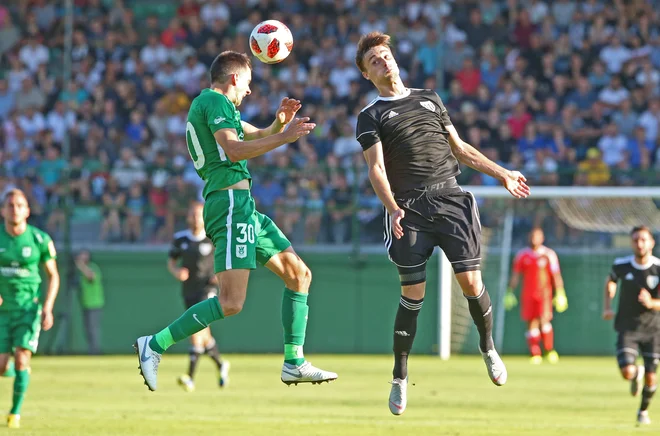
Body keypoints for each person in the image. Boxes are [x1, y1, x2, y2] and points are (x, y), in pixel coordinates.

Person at [134, 51, 337, 391]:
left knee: (299, 274)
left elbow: (252, 136)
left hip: (242, 205)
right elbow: (235, 150)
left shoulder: (217, 107)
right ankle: (154, 345)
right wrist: (284, 138)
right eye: (248, 83)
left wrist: (278, 125)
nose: (249, 91)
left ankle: (294, 362)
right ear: (233, 79)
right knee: (230, 302)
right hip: (228, 203)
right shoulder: (214, 102)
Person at [354, 32, 530, 415]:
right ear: (368, 74)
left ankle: (488, 348)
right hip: (408, 207)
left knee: (471, 282)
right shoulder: (370, 115)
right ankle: (400, 378)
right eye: (374, 61)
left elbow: (461, 149)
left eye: (385, 55)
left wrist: (501, 173)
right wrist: (392, 207)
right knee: (413, 292)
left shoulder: (429, 98)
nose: (383, 62)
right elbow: (376, 169)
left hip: (450, 198)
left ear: (395, 60)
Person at [0, 189, 60, 428]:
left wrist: (47, 307)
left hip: (28, 310)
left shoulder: (39, 239)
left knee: (22, 358)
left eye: (19, 205)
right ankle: (16, 372)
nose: (14, 209)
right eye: (10, 205)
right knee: (4, 365)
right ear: (3, 210)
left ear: (27, 211)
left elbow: (53, 276)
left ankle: (14, 413)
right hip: (3, 312)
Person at [168, 201, 229, 391]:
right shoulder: (180, 239)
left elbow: (225, 261)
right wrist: (177, 272)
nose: (195, 218)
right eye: (192, 214)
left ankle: (190, 378)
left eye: (199, 215)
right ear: (188, 217)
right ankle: (220, 364)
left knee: (195, 328)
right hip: (189, 290)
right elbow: (171, 262)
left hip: (207, 290)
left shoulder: (213, 239)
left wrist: (219, 277)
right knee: (204, 336)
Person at [603, 225, 660, 426]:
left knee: (652, 378)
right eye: (636, 240)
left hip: (653, 330)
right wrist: (608, 303)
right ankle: (637, 373)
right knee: (627, 372)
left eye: (643, 239)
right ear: (631, 243)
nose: (639, 243)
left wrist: (652, 303)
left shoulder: (658, 268)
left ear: (652, 243)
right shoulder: (621, 265)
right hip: (627, 327)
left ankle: (643, 411)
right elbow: (610, 281)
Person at [504, 227, 567, 364]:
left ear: (542, 238)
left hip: (544, 295)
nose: (534, 239)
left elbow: (556, 275)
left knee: (544, 320)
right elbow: (515, 275)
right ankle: (535, 353)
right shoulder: (522, 255)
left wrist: (560, 292)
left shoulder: (548, 254)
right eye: (532, 236)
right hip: (528, 295)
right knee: (531, 322)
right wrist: (509, 292)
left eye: (537, 236)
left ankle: (549, 350)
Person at [75, 249, 105, 355]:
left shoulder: (92, 267)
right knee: (88, 329)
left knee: (93, 329)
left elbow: (91, 276)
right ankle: (92, 350)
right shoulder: (80, 271)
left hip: (95, 304)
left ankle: (95, 351)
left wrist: (81, 266)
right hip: (86, 304)